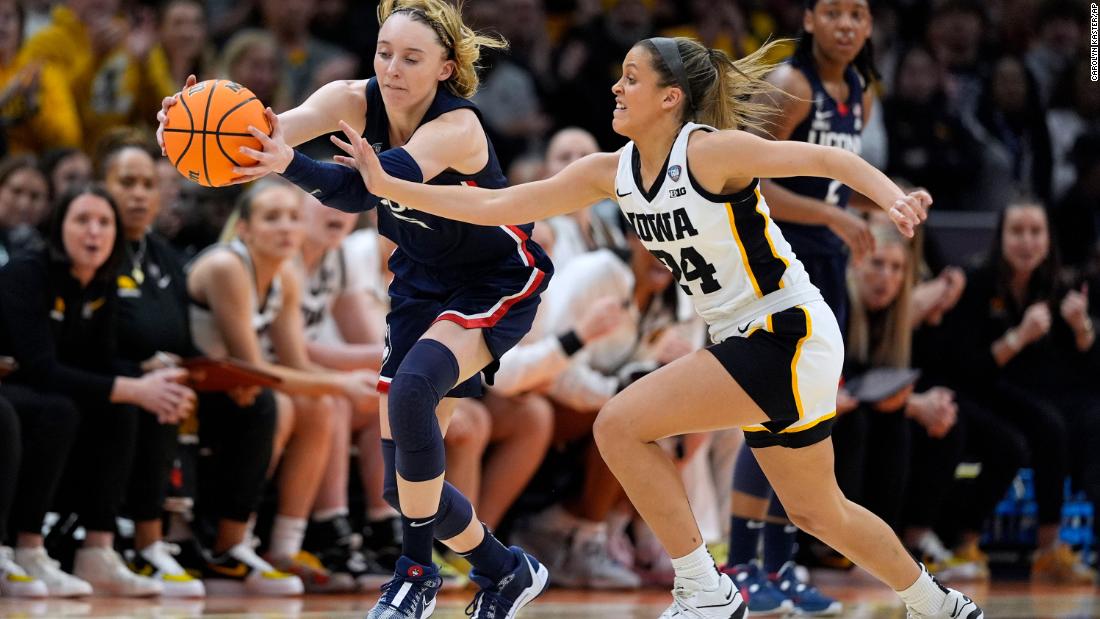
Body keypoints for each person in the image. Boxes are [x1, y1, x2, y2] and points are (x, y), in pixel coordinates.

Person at [332, 33, 985, 619]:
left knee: (619, 423)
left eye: (631, 78)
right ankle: (941, 604)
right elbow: (499, 203)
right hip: (756, 339)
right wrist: (390, 184)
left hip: (784, 328)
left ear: (671, 98)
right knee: (820, 510)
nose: (616, 87)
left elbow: (823, 162)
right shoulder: (610, 172)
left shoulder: (712, 153)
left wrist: (891, 197)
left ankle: (704, 588)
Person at [160, 2, 555, 617]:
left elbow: (364, 189)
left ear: (446, 68)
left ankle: (414, 575)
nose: (392, 69)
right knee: (403, 483)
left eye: (412, 58)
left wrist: (286, 164)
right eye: (384, 52)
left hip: (492, 276)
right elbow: (269, 132)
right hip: (420, 280)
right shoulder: (351, 97)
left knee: (414, 389)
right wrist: (192, 127)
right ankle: (504, 570)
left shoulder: (458, 129)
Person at [724, 2, 876, 611]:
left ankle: (782, 564)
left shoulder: (861, 90)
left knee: (809, 409)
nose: (846, 24)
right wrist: (833, 214)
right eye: (833, 12)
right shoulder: (793, 84)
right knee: (765, 404)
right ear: (810, 20)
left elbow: (833, 184)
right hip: (781, 260)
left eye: (858, 14)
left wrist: (872, 211)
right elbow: (744, 176)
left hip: (827, 260)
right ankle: (739, 561)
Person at [0, 185, 194, 597]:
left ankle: (98, 551)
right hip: (14, 384)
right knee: (62, 410)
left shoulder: (102, 280)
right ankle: (25, 548)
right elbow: (41, 369)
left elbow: (101, 361)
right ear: (59, 228)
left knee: (126, 408)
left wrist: (150, 381)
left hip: (47, 388)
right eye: (82, 221)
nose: (94, 232)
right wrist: (132, 386)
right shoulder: (26, 272)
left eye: (104, 223)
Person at [186, 180, 375, 593]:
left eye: (292, 217)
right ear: (244, 229)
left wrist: (335, 386)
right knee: (284, 404)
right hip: (185, 382)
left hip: (232, 385)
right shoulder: (226, 266)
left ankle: (282, 548)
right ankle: (231, 542)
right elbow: (254, 368)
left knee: (320, 404)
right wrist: (342, 382)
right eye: (272, 218)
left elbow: (295, 364)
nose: (287, 228)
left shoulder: (285, 276)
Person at [943, 198, 1100, 584]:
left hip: (1032, 395)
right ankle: (984, 543)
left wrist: (1082, 329)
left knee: (1086, 421)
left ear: (1048, 239)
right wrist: (1018, 337)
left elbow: (1085, 363)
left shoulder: (1059, 285)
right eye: (1017, 231)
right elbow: (966, 367)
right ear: (1001, 237)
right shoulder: (976, 280)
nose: (1026, 241)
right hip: (978, 390)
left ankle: (1058, 550)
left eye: (1035, 232)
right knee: (1038, 429)